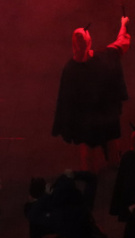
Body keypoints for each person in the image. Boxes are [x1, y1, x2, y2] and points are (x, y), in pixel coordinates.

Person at [52, 16, 131, 171]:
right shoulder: (95, 61)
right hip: (95, 119)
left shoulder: (74, 67)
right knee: (100, 154)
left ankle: (102, 181)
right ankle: (103, 181)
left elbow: (121, 42)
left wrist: (123, 24)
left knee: (99, 155)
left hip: (94, 119)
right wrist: (123, 25)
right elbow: (121, 43)